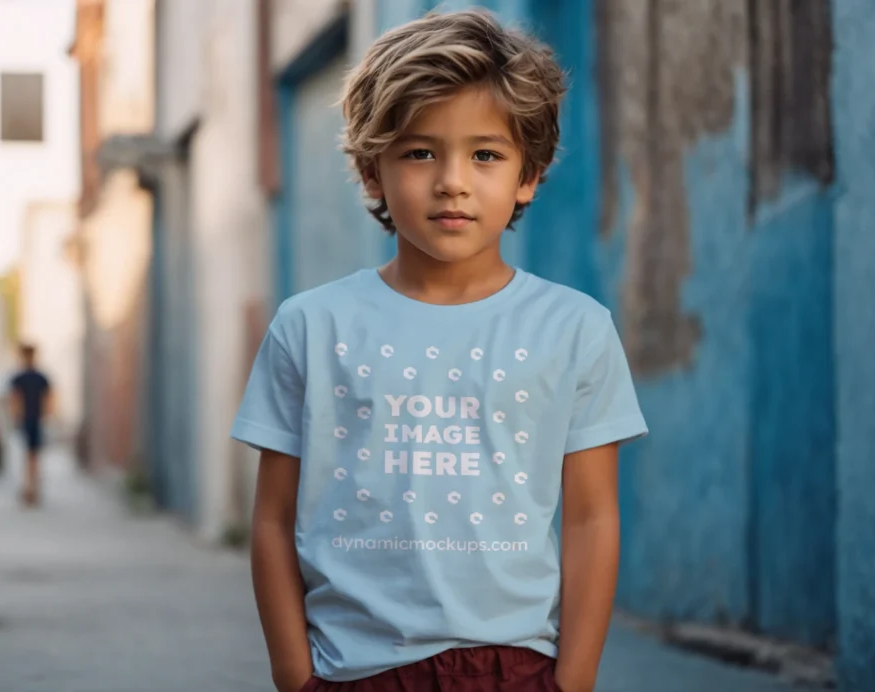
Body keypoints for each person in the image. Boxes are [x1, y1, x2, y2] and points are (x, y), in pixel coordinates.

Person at [231, 10, 648, 692]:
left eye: (486, 155)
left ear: (528, 175)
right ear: (372, 172)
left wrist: (571, 681)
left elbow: (591, 516)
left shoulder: (574, 328)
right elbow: (274, 518)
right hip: (356, 669)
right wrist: (293, 674)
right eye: (420, 152)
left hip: (516, 667)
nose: (453, 181)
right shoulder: (311, 326)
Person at [9, 343, 52, 507]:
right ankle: (32, 489)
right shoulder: (37, 377)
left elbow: (15, 400)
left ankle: (31, 489)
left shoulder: (26, 378)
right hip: (32, 420)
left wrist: (16, 417)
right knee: (32, 457)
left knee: (30, 457)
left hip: (30, 420)